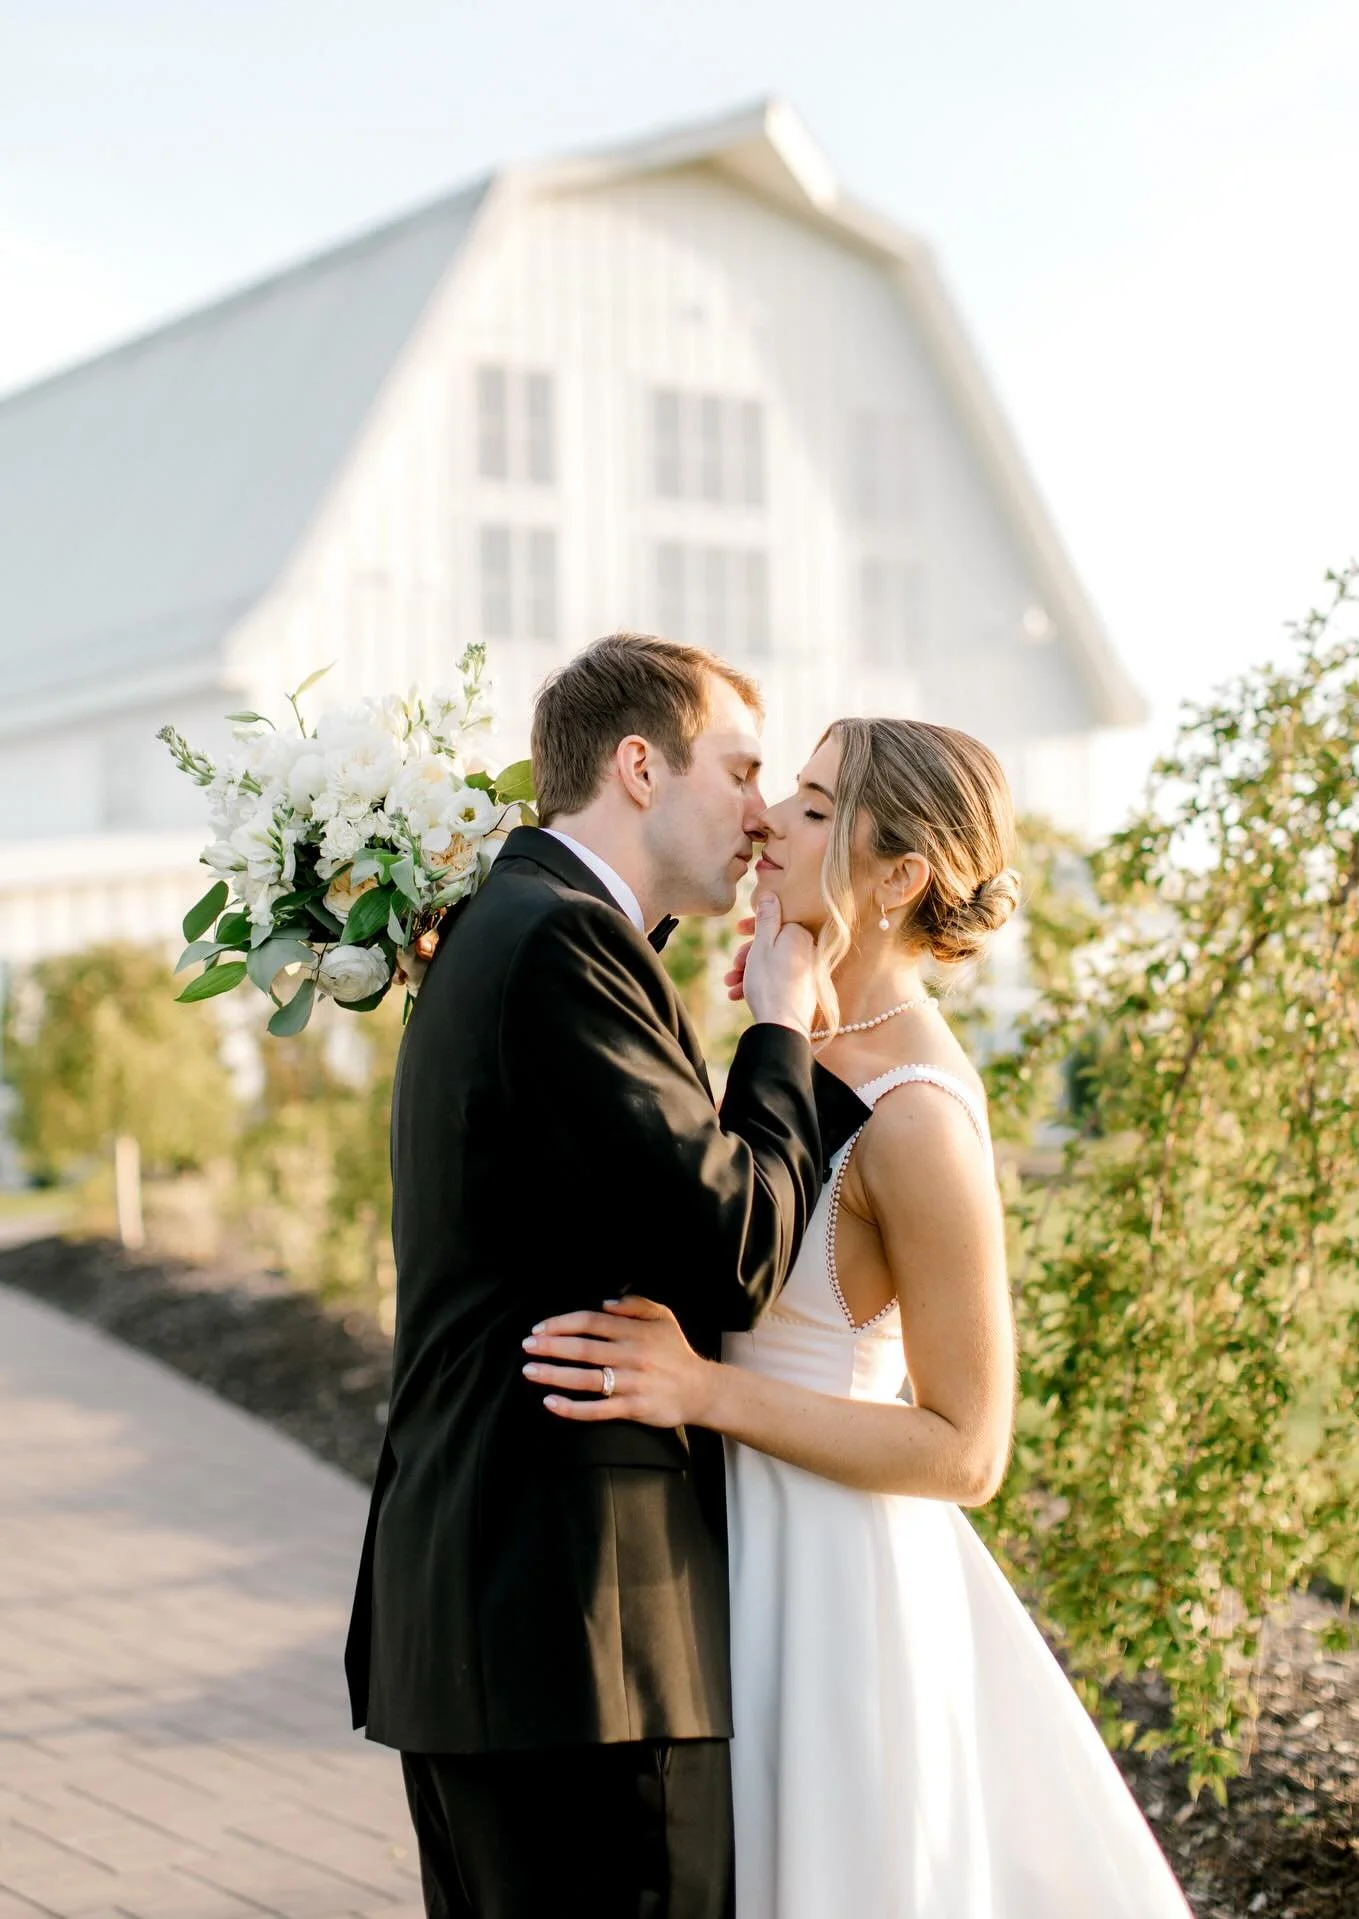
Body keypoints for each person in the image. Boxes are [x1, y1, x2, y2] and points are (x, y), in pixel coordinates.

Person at [522, 716, 1195, 1918]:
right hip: (734, 1550)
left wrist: (703, 1389)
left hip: (839, 1593)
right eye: (790, 789)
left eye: (821, 806)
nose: (772, 815)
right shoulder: (793, 1031)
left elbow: (968, 1446)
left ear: (901, 876)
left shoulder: (922, 1118)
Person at [345, 635, 868, 1919]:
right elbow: (734, 1248)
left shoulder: (506, 928)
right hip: (583, 1636)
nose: (761, 815)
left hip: (502, 1625)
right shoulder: (558, 944)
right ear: (640, 764)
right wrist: (783, 1023)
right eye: (743, 770)